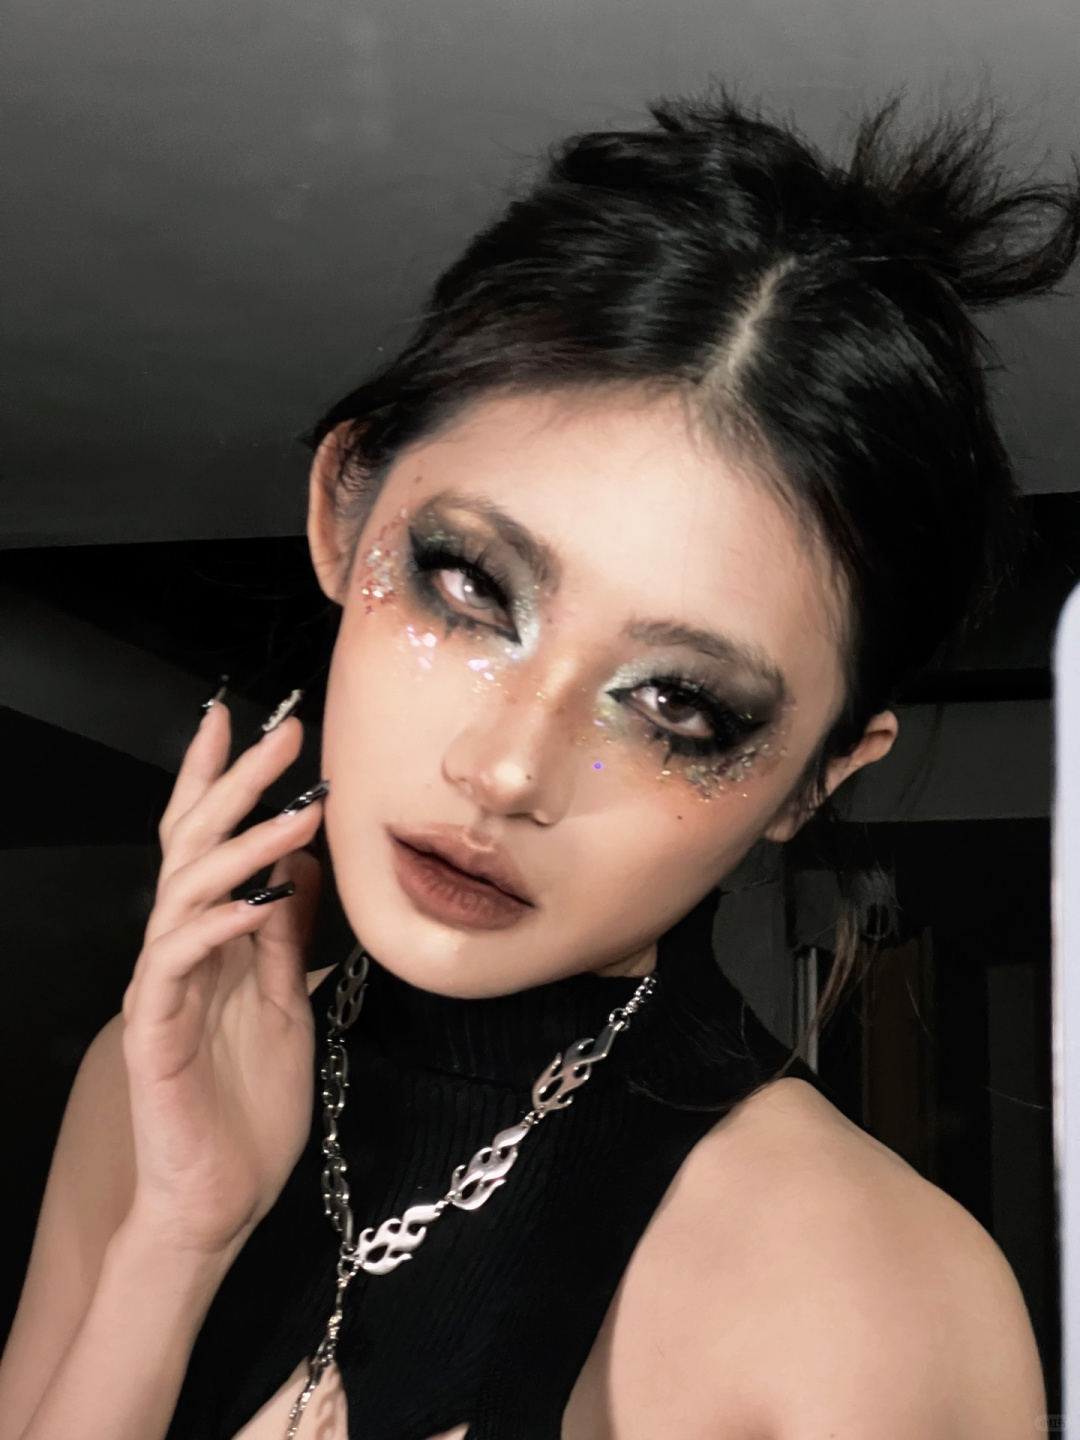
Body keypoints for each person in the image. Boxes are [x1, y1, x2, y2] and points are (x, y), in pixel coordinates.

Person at [1, 92, 1076, 1440]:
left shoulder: (872, 1298)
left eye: (677, 704)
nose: (509, 769)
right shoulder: (159, 1080)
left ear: (814, 779)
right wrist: (173, 1243)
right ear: (345, 512)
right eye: (471, 588)